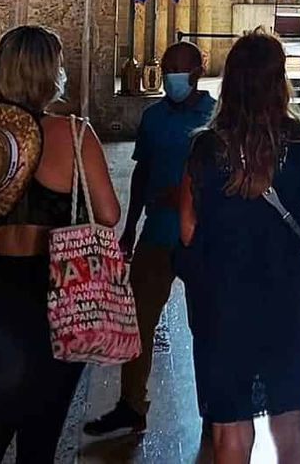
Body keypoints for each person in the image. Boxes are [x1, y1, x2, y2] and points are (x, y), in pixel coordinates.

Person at [178, 29, 300, 464]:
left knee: (230, 428)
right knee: (292, 430)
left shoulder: (204, 147)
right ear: (279, 81)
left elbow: (187, 230)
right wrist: (284, 220)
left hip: (224, 296)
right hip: (288, 295)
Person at [0, 25, 120, 464]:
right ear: (48, 74)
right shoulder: (73, 134)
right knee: (42, 432)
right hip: (57, 290)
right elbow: (108, 214)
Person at [84, 41, 215, 448]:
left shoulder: (214, 117)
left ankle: (215, 408)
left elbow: (228, 174)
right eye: (167, 67)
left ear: (197, 70)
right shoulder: (154, 117)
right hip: (156, 234)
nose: (172, 75)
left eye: (179, 68)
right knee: (138, 322)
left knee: (208, 326)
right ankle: (131, 403)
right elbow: (142, 174)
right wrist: (129, 227)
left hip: (204, 239)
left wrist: (191, 195)